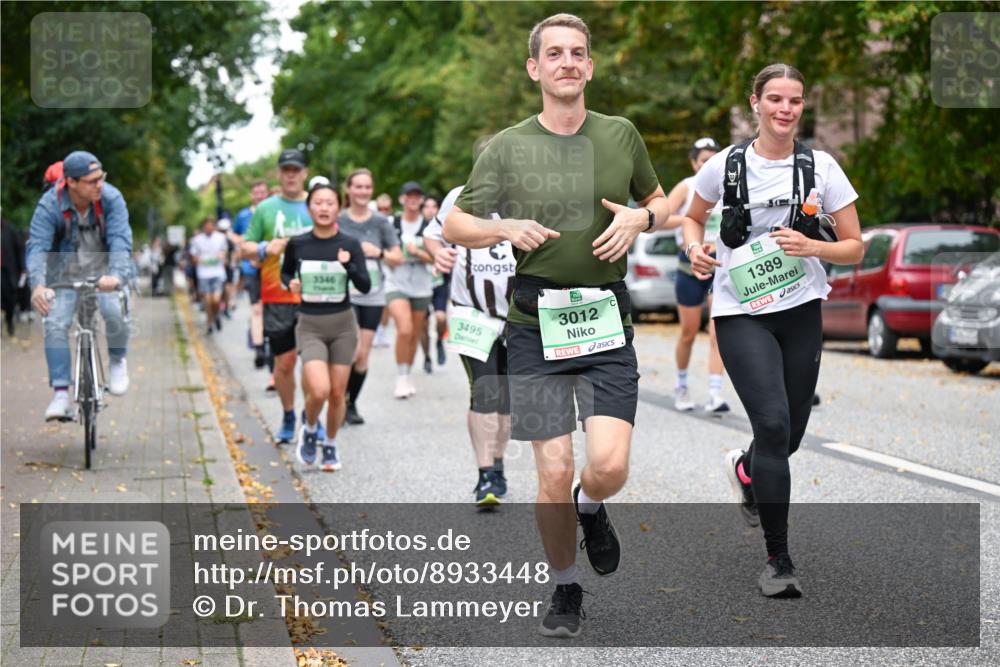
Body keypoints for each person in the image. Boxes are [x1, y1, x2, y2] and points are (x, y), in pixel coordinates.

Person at [444, 14, 669, 638]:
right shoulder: (507, 147)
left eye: (577, 53)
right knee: (551, 469)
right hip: (534, 326)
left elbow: (661, 202)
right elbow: (455, 223)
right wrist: (502, 226)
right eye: (554, 53)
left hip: (605, 320)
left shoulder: (621, 135)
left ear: (589, 67)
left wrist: (642, 219)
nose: (567, 62)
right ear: (534, 68)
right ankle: (566, 586)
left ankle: (589, 507)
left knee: (609, 468)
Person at [682, 63, 863, 598]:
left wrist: (813, 246)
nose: (786, 109)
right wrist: (695, 249)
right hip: (740, 310)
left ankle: (747, 470)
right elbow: (693, 217)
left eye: (795, 100)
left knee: (788, 437)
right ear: (755, 103)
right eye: (776, 99)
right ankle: (778, 560)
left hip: (800, 307)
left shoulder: (821, 167)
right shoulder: (726, 165)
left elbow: (855, 246)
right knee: (774, 424)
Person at [27, 150, 133, 421]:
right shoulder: (49, 205)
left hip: (105, 274)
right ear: (71, 182)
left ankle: (118, 361)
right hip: (64, 276)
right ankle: (61, 393)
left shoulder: (111, 198)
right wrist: (38, 285)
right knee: (55, 323)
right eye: (92, 180)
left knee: (113, 311)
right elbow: (37, 247)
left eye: (101, 177)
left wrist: (116, 276)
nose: (100, 185)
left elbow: (120, 240)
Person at [425, 187, 514, 507]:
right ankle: (485, 473)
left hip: (518, 316)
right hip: (472, 313)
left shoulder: (530, 193)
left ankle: (498, 466)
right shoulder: (461, 195)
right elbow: (432, 235)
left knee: (508, 397)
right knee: (485, 390)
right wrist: (438, 253)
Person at [282, 183, 371, 471]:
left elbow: (365, 286)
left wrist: (349, 266)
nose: (323, 208)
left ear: (338, 208)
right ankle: (309, 429)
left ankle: (330, 444)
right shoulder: (298, 244)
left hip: (343, 326)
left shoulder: (350, 245)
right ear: (309, 208)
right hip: (310, 325)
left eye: (330, 203)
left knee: (337, 393)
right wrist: (290, 283)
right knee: (319, 390)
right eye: (318, 202)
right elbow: (285, 273)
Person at [241, 149, 320, 444]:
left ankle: (311, 418)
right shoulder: (265, 208)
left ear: (305, 173)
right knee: (284, 364)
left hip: (315, 296)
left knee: (313, 364)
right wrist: (264, 248)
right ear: (279, 174)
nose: (291, 175)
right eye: (286, 170)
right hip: (277, 296)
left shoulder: (317, 204)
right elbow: (245, 248)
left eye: (296, 170)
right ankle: (288, 415)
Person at [663, 137, 730, 413]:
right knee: (689, 332)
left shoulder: (728, 188)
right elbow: (660, 219)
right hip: (689, 265)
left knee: (718, 332)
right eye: (703, 160)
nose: (708, 165)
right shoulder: (687, 187)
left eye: (713, 160)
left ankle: (715, 394)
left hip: (718, 264)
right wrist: (693, 217)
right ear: (693, 163)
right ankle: (681, 385)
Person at [337, 168, 403, 424]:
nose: (363, 191)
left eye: (367, 187)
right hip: (345, 293)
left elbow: (397, 257)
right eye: (358, 186)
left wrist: (379, 253)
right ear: (349, 189)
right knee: (352, 350)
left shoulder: (380, 222)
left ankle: (350, 403)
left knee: (363, 355)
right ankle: (337, 400)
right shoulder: (339, 220)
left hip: (373, 295)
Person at [385, 181, 434, 399]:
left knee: (414, 333)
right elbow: (382, 251)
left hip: (422, 286)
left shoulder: (430, 226)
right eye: (409, 195)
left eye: (417, 196)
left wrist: (419, 253)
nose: (413, 199)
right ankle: (401, 376)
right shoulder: (391, 223)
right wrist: (392, 257)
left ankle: (407, 373)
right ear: (402, 199)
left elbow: (437, 258)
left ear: (421, 200)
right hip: (396, 283)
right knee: (404, 329)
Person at [233, 180, 270, 368]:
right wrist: (241, 241)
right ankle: (259, 348)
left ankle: (264, 339)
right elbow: (233, 235)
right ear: (251, 195)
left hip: (272, 268)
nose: (260, 196)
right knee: (257, 308)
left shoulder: (273, 211)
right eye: (257, 193)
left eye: (263, 192)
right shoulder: (243, 215)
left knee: (267, 309)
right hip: (251, 269)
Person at [420, 195, 449, 373]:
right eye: (426, 206)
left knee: (441, 318)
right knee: (423, 325)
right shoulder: (417, 229)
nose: (430, 210)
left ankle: (439, 341)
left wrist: (421, 254)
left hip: (440, 282)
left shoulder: (446, 228)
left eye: (434, 206)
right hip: (420, 284)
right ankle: (426, 357)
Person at [189, 217, 228, 335]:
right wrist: (200, 260)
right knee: (207, 301)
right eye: (207, 226)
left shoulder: (220, 238)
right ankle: (209, 322)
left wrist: (221, 256)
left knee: (215, 300)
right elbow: (193, 258)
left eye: (211, 226)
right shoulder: (197, 240)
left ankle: (216, 316)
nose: (209, 228)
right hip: (203, 274)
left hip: (217, 272)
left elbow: (224, 253)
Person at [1, 218, 26, 336]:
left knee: (9, 298)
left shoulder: (9, 230)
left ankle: (9, 320)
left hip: (8, 271)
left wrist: (23, 267)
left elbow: (20, 249)